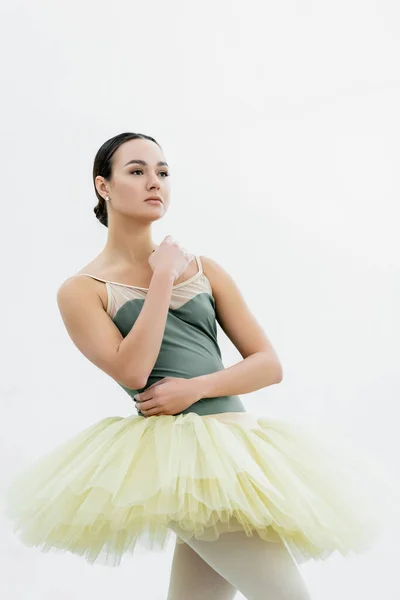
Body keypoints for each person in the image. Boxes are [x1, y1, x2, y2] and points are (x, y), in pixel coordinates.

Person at [3, 132, 396, 600]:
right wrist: (163, 275)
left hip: (237, 447)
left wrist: (196, 388)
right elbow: (132, 371)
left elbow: (268, 365)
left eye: (163, 172)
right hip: (175, 457)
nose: (155, 182)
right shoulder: (82, 289)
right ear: (103, 186)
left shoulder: (206, 268)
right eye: (137, 171)